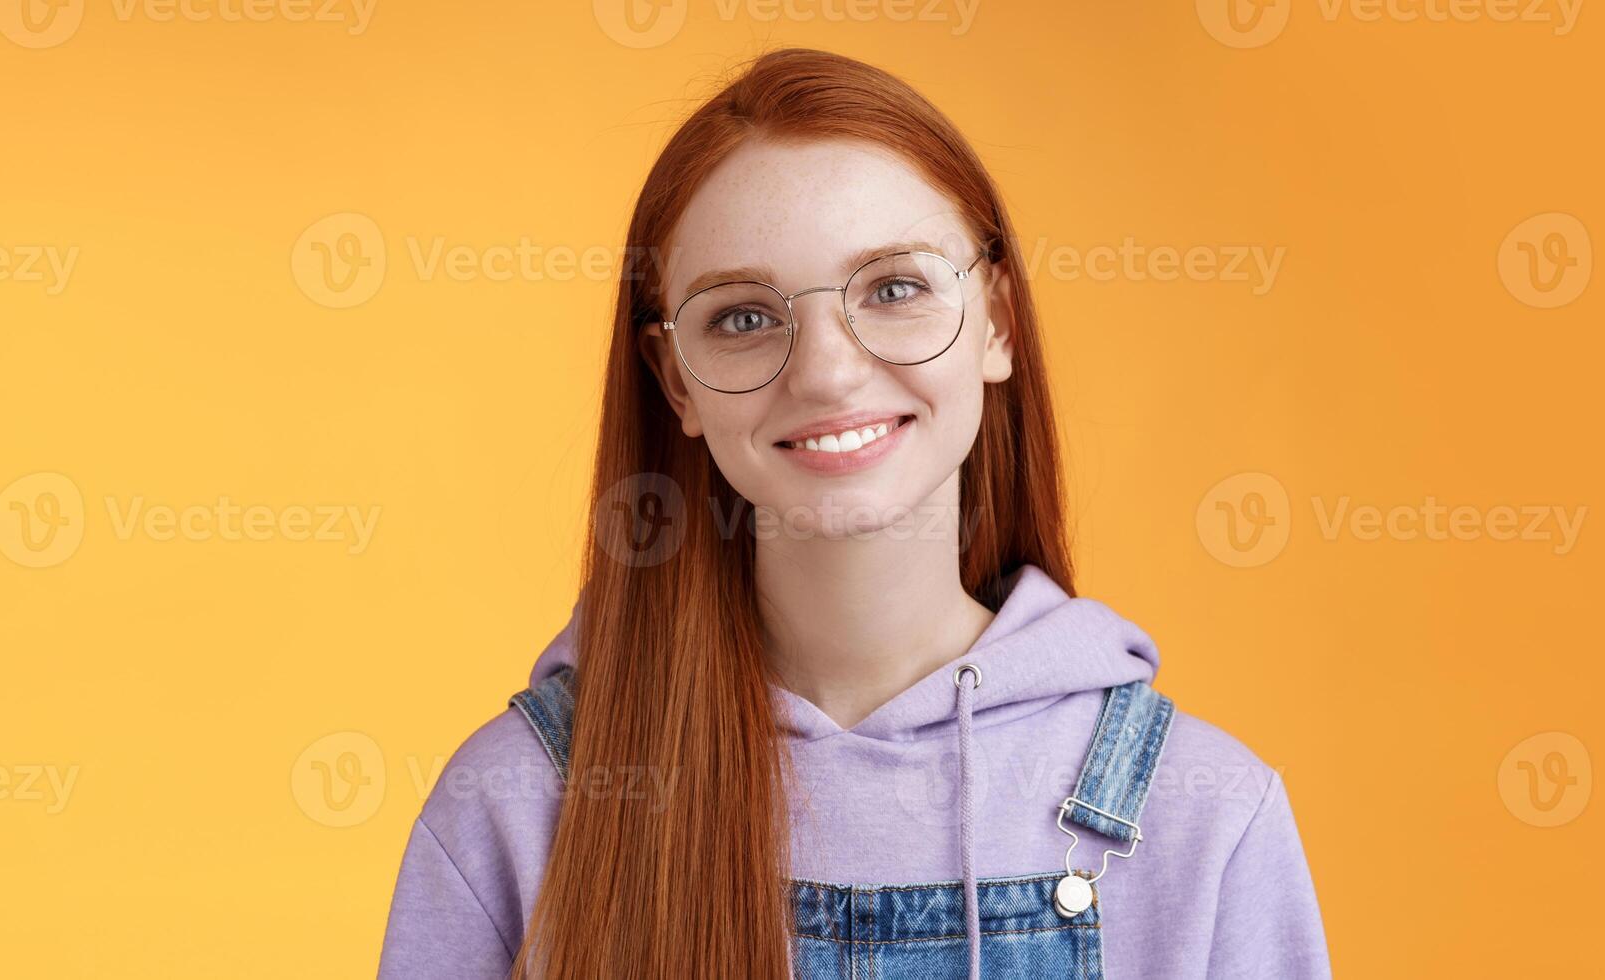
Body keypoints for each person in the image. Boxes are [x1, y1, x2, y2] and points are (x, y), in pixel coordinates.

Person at [377, 47, 1330, 979]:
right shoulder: (521, 804)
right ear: (677, 384)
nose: (828, 371)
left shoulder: (1203, 815)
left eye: (895, 288)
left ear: (996, 322)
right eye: (744, 316)